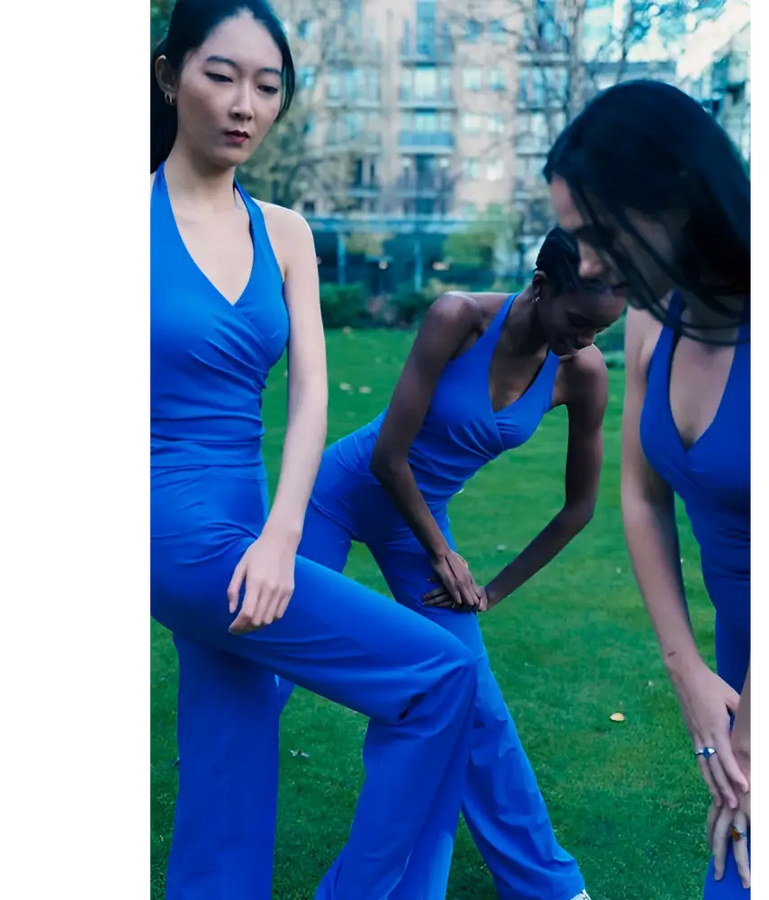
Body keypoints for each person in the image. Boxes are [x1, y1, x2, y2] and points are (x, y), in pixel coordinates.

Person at [147, 2, 482, 898]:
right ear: (169, 72)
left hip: (254, 521)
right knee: (440, 677)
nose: (244, 104)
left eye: (267, 85)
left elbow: (310, 395)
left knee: (231, 748)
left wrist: (282, 535)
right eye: (221, 75)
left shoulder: (286, 233)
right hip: (176, 531)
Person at [275, 227, 624, 900]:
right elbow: (387, 457)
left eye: (600, 332)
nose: (584, 341)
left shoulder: (581, 373)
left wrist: (490, 590)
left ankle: (550, 884)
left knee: (477, 702)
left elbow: (578, 508)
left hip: (421, 519)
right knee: (268, 665)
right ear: (541, 285)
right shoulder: (458, 317)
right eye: (578, 323)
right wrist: (444, 553)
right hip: (344, 493)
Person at [543, 79, 753, 896]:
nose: (586, 265)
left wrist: (745, 741)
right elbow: (640, 493)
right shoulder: (652, 316)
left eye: (596, 235)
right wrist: (689, 673)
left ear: (674, 197)